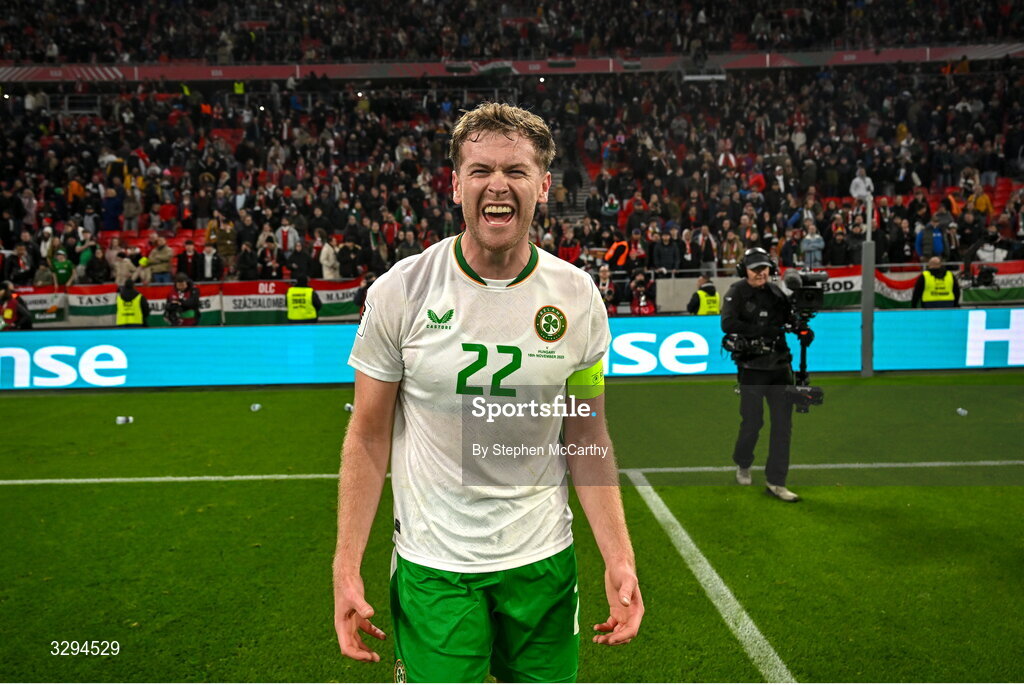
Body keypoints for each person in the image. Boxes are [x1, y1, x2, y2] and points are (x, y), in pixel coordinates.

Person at [334, 103, 643, 683]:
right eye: (480, 170)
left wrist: (618, 556)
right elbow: (369, 434)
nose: (497, 185)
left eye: (516, 170)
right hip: (435, 568)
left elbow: (586, 433)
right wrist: (345, 567)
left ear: (544, 186)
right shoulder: (401, 291)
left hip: (543, 564)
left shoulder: (578, 297)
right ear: (456, 185)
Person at [721, 247, 806, 503]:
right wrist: (761, 330)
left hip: (780, 367)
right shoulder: (736, 292)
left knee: (783, 427)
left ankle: (776, 481)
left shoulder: (777, 293)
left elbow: (789, 321)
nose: (760, 273)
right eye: (755, 269)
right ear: (744, 271)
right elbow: (727, 323)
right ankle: (743, 462)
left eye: (764, 268)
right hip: (752, 369)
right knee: (752, 422)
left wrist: (802, 329)